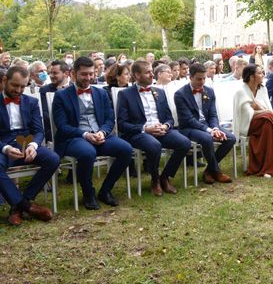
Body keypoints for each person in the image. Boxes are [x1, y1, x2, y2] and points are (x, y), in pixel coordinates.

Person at [52, 56, 133, 209]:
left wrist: (103, 132)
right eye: (84, 74)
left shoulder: (101, 93)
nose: (88, 78)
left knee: (126, 149)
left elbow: (110, 118)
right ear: (73, 74)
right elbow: (62, 126)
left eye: (91, 74)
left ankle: (106, 190)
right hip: (74, 138)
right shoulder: (61, 96)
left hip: (100, 135)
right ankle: (88, 193)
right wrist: (85, 135)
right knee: (87, 153)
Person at [116, 61, 191, 196]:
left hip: (161, 130)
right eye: (148, 72)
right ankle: (155, 180)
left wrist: (165, 126)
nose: (152, 75)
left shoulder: (159, 92)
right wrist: (146, 129)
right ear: (137, 75)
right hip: (139, 132)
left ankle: (165, 176)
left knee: (184, 143)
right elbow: (122, 124)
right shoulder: (125, 94)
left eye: (152, 71)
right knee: (154, 145)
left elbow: (169, 118)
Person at [1, 66, 59, 225]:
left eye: (22, 86)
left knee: (53, 159)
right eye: (15, 85)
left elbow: (39, 130)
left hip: (26, 144)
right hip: (4, 147)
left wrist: (33, 145)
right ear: (5, 80)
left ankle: (19, 206)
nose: (18, 90)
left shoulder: (31, 102)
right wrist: (5, 148)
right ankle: (27, 206)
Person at [174, 63, 235, 184]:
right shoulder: (180, 94)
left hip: (208, 126)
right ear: (190, 77)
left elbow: (213, 114)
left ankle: (209, 170)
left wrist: (215, 128)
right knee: (207, 139)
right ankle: (216, 172)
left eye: (204, 78)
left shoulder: (209, 91)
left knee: (231, 138)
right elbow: (189, 119)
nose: (202, 82)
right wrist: (210, 131)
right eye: (198, 79)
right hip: (189, 128)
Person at [39, 60, 71, 141]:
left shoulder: (74, 88)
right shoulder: (44, 90)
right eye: (50, 73)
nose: (51, 76)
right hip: (54, 129)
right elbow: (45, 114)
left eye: (55, 73)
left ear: (66, 74)